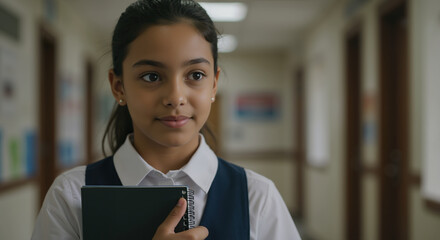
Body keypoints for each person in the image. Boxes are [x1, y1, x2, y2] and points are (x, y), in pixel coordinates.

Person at [31, 0, 301, 239]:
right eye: (151, 76)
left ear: (214, 85)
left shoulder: (257, 196)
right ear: (119, 86)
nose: (175, 97)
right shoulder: (71, 196)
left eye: (195, 75)